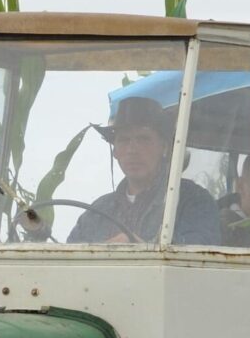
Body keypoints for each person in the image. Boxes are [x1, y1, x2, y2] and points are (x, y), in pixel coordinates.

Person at [68, 95, 220, 245]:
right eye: (124, 140)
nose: (132, 150)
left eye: (143, 139)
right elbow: (69, 256)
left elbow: (201, 251)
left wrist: (141, 248)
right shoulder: (97, 212)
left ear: (164, 147)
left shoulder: (192, 201)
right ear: (115, 151)